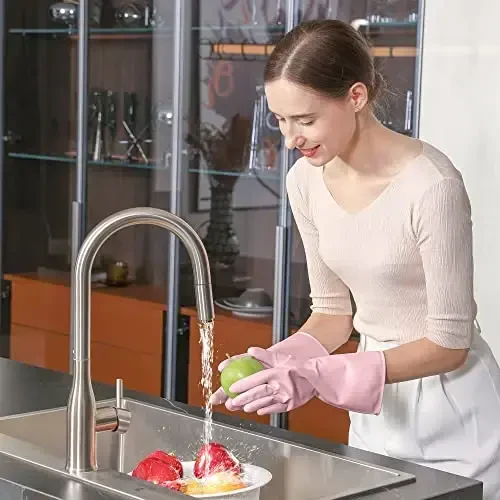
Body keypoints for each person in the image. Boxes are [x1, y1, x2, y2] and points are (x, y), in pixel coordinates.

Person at [210, 19, 500, 498]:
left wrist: (320, 375)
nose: (291, 138)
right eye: (280, 120)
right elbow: (332, 314)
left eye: (305, 120)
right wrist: (277, 362)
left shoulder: (432, 186)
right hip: (377, 418)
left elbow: (450, 343)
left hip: (457, 421)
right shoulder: (304, 182)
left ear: (356, 97)